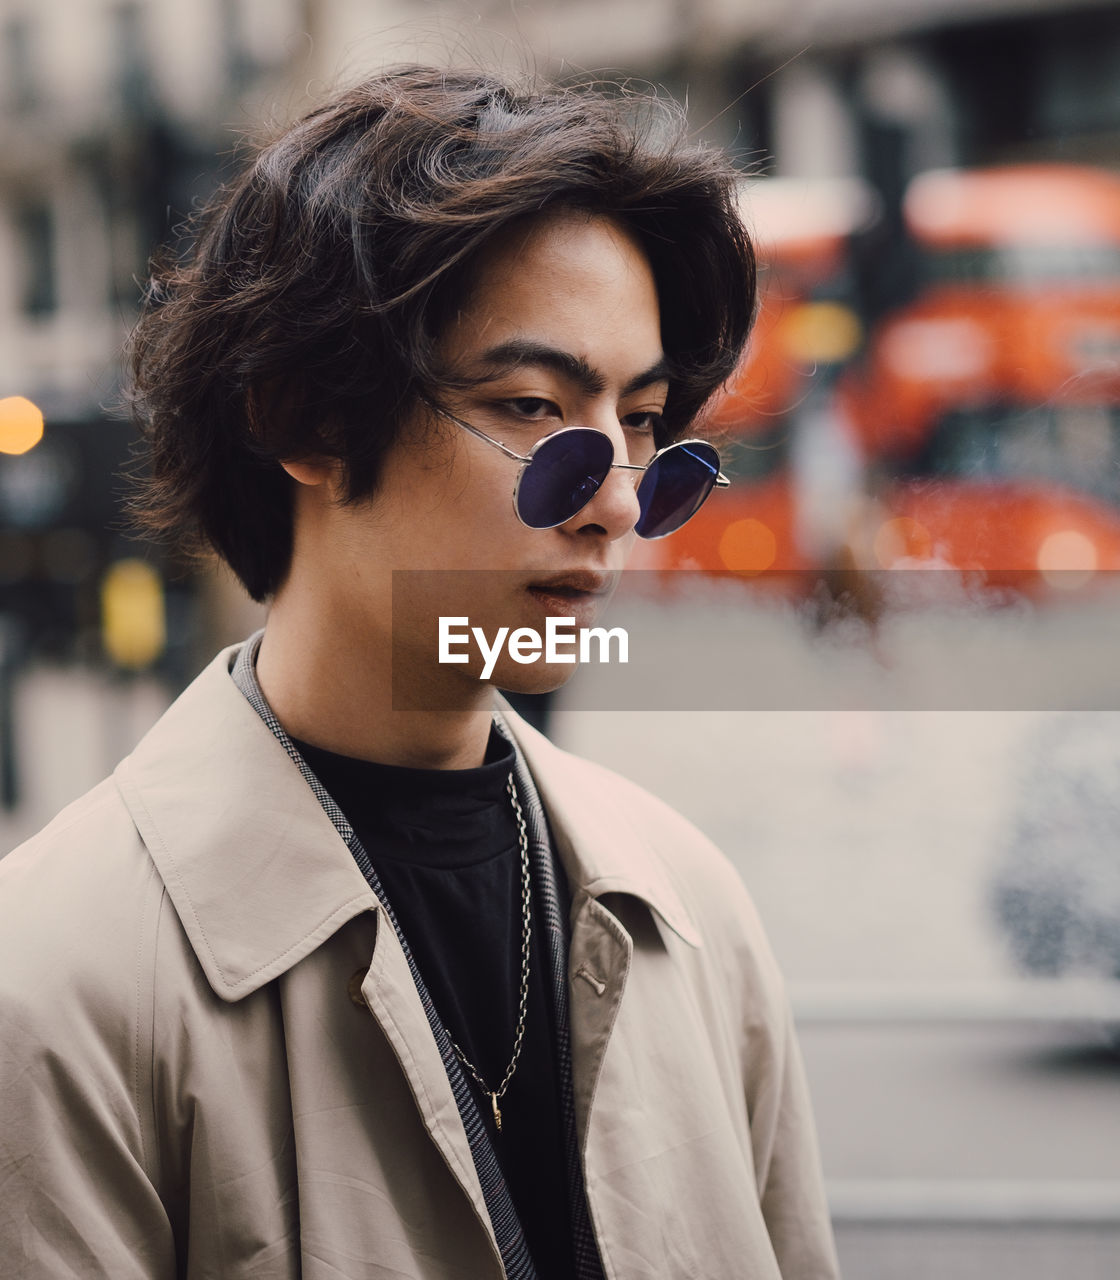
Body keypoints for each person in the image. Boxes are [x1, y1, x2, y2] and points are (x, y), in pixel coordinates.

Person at [0, 66, 840, 1279]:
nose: (613, 501)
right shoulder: (58, 976)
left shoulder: (688, 909)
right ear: (305, 418)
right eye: (534, 405)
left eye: (645, 422)